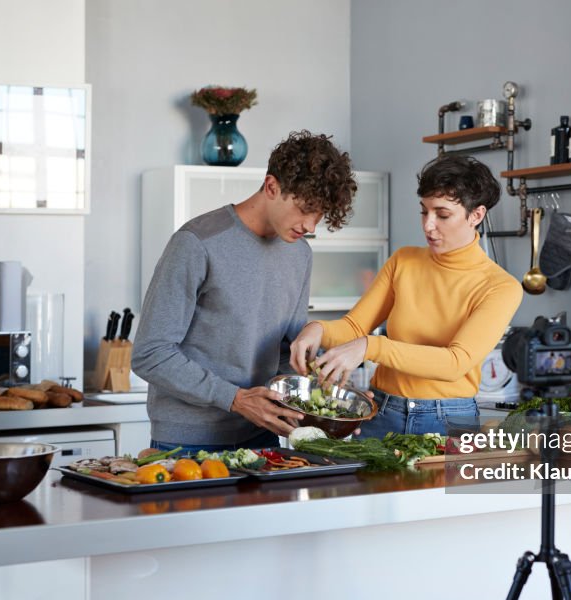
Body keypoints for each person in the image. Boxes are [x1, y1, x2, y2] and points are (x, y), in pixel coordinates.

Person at [132, 131, 357, 454]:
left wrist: (325, 403)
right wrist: (235, 400)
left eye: (319, 215)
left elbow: (286, 355)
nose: (310, 225)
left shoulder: (299, 254)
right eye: (305, 208)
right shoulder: (197, 242)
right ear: (271, 187)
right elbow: (150, 353)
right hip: (187, 440)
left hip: (263, 435)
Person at [290, 155, 523, 439]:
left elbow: (455, 363)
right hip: (381, 410)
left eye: (442, 214)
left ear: (476, 215)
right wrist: (316, 329)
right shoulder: (405, 261)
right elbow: (353, 327)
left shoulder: (500, 286)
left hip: (448, 421)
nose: (428, 225)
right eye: (424, 212)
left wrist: (371, 346)